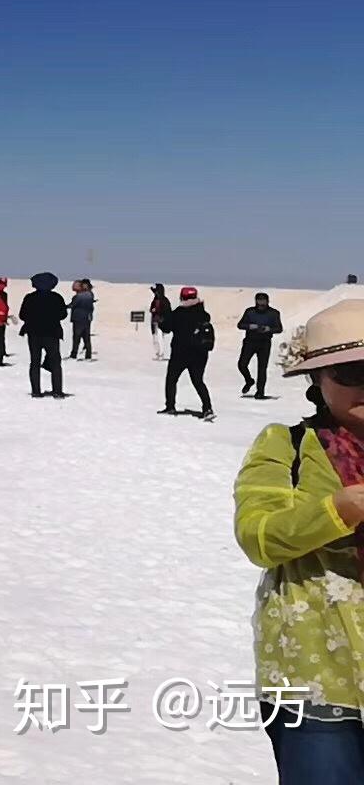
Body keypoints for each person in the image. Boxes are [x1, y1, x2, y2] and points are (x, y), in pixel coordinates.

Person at [231, 300, 364, 780]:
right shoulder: (285, 445)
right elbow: (258, 536)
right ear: (317, 380)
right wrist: (338, 511)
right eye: (352, 371)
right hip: (316, 679)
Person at [159, 286, 215, 419]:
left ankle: (170, 406)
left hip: (180, 352)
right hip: (200, 354)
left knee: (172, 379)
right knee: (198, 381)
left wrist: (162, 318)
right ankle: (207, 408)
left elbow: (166, 328)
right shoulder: (203, 313)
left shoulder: (178, 313)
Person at [18, 272, 68, 398]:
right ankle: (57, 390)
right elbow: (63, 315)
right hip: (52, 332)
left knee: (35, 362)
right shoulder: (57, 298)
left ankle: (36, 391)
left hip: (33, 333)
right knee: (55, 362)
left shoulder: (29, 298)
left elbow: (22, 315)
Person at [239, 292, 286, 399]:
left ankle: (260, 392)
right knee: (242, 364)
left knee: (262, 368)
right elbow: (240, 325)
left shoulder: (273, 313)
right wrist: (250, 326)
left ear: (267, 301)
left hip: (264, 342)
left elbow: (279, 328)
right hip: (250, 341)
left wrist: (269, 329)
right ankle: (249, 380)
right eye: (259, 300)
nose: (261, 302)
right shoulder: (250, 312)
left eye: (263, 300)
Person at [69, 279, 97, 360]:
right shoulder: (90, 295)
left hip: (78, 318)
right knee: (86, 338)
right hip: (87, 318)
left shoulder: (78, 296)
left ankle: (74, 354)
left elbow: (73, 305)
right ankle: (88, 355)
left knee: (76, 337)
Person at [149, 283, 173, 360]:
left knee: (160, 338)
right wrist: (153, 310)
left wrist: (163, 318)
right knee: (155, 338)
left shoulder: (165, 301)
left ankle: (161, 354)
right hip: (155, 322)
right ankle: (158, 353)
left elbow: (168, 312)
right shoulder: (155, 300)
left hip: (162, 322)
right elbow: (151, 309)